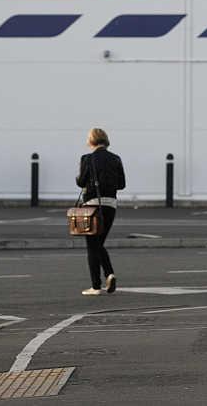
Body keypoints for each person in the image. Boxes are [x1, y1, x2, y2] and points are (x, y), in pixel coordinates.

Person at [76, 127, 126, 296]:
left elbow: (81, 181)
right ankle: (107, 275)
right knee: (98, 243)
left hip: (91, 205)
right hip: (110, 205)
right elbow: (121, 184)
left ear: (91, 141)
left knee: (92, 244)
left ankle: (97, 285)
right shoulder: (116, 159)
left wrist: (80, 177)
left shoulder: (87, 159)